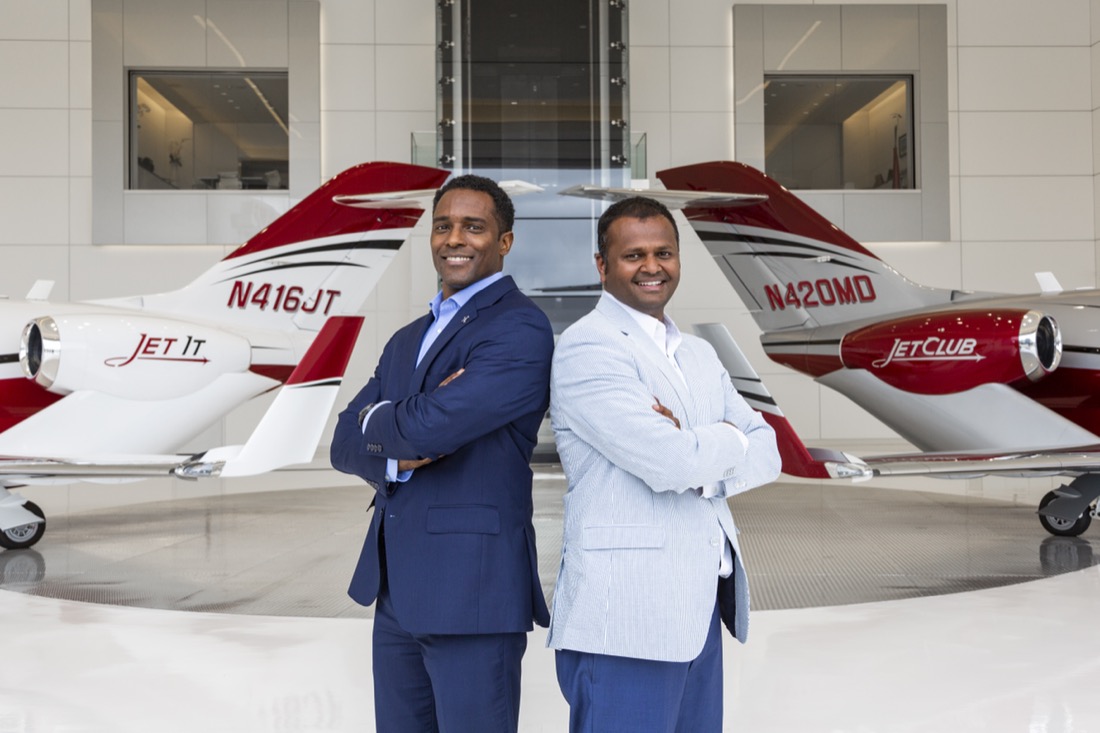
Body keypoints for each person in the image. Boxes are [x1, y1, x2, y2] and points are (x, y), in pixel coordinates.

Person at [547, 196, 781, 733]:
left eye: (665, 253)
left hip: (698, 609)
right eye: (634, 255)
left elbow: (767, 447)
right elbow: (668, 462)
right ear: (602, 266)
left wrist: (700, 444)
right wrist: (722, 439)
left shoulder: (697, 353)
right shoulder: (589, 347)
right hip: (626, 617)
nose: (652, 267)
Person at [330, 174, 554, 733]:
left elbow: (431, 428)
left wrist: (384, 421)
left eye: (474, 227)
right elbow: (341, 441)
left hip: (472, 591)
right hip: (396, 590)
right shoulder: (408, 337)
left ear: (504, 242)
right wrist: (393, 445)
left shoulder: (520, 329)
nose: (455, 238)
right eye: (443, 226)